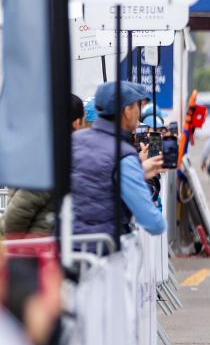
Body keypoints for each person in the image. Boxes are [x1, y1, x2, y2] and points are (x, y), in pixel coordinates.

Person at [71, 81, 166, 239]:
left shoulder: (74, 141)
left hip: (65, 247)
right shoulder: (124, 156)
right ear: (127, 111)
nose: (138, 114)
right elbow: (154, 224)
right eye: (137, 107)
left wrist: (139, 170)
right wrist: (138, 175)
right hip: (106, 248)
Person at [4, 96, 87, 239]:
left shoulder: (45, 150)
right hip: (37, 245)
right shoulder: (55, 158)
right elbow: (18, 212)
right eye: (84, 121)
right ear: (76, 123)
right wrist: (16, 244)